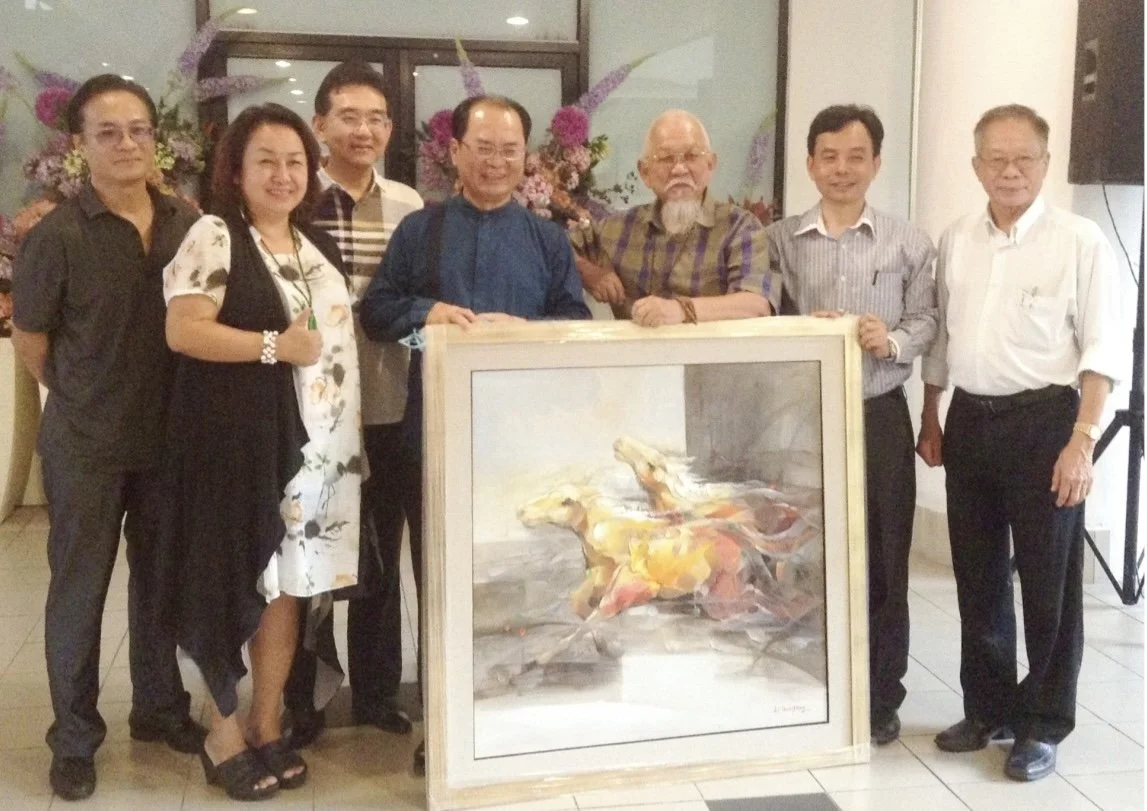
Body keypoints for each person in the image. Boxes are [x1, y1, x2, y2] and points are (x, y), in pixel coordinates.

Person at [360, 94, 592, 772]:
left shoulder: (547, 238)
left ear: (526, 157)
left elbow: (573, 320)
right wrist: (427, 314)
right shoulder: (420, 231)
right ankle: (447, 724)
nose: (495, 160)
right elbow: (377, 311)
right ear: (454, 151)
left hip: (520, 443)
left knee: (517, 576)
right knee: (439, 576)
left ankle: (510, 711)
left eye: (509, 148)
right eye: (482, 147)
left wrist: (532, 332)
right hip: (430, 435)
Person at [11, 74, 205, 802]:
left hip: (167, 442)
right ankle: (74, 737)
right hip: (86, 446)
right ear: (80, 145)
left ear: (156, 140)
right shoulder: (56, 235)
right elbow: (31, 340)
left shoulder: (186, 222)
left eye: (139, 131)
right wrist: (84, 395)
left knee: (159, 585)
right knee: (79, 591)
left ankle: (158, 709)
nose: (127, 144)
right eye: (109, 132)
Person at [160, 102, 362, 800]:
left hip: (313, 459)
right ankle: (220, 730)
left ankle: (266, 719)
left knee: (289, 590)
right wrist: (277, 346)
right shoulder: (215, 235)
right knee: (229, 582)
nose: (283, 174)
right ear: (236, 172)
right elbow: (184, 331)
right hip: (233, 447)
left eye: (295, 161)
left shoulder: (311, 248)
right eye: (266, 161)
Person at [918, 104, 1123, 782]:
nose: (1009, 170)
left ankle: (1041, 723)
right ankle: (988, 708)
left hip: (1047, 425)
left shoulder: (1079, 240)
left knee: (1047, 586)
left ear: (1042, 160)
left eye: (1023, 158)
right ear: (975, 165)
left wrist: (1080, 441)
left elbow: (1100, 349)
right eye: (994, 159)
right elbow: (942, 340)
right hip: (971, 421)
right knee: (976, 576)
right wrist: (931, 413)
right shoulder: (956, 238)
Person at [767, 104, 937, 745]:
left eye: (855, 156)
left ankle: (878, 694)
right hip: (797, 422)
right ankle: (805, 682)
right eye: (829, 156)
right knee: (796, 553)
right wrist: (797, 329)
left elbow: (927, 320)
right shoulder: (777, 240)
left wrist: (888, 338)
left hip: (876, 415)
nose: (842, 169)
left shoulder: (908, 241)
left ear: (876, 163)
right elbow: (759, 312)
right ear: (810, 163)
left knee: (883, 561)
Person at [283, 60, 423, 748]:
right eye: (348, 116)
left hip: (391, 402)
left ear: (390, 129)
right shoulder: (293, 199)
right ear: (319, 125)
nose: (362, 130)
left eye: (375, 118)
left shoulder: (410, 206)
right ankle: (301, 696)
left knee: (379, 556)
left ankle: (374, 691)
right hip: (310, 412)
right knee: (307, 554)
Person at [571, 109, 776, 324]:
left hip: (711, 355)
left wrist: (680, 311)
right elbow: (556, 249)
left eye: (691, 156)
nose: (679, 169)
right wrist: (590, 273)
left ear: (711, 164)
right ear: (644, 172)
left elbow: (756, 304)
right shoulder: (620, 228)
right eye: (666, 158)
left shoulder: (738, 227)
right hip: (636, 356)